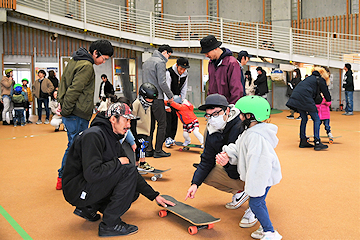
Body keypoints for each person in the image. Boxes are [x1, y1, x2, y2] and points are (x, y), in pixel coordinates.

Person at [62, 102, 175, 237]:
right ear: (113, 119)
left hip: (86, 185)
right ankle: (110, 224)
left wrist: (154, 196)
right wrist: (117, 162)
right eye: (126, 120)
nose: (129, 125)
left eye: (129, 121)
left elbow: (131, 172)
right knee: (127, 173)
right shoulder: (93, 136)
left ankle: (88, 208)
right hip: (77, 190)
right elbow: (92, 173)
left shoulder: (113, 137)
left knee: (133, 191)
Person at [217, 95, 282, 240]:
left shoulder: (256, 137)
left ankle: (270, 233)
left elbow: (260, 163)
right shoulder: (249, 132)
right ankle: (265, 228)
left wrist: (254, 187)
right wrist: (228, 153)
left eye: (242, 114)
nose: (239, 116)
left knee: (256, 203)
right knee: (258, 203)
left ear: (251, 116)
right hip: (261, 177)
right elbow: (239, 147)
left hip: (262, 177)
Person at [185, 94, 252, 227]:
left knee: (253, 167)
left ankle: (255, 205)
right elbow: (206, 161)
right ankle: (242, 192)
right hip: (234, 171)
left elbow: (250, 157)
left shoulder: (241, 124)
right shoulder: (211, 131)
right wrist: (195, 184)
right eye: (209, 115)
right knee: (204, 173)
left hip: (251, 169)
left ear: (227, 110)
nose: (212, 119)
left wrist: (231, 159)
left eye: (216, 113)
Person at [56, 39, 114, 190]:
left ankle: (67, 177)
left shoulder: (75, 60)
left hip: (73, 112)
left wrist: (63, 107)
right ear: (96, 53)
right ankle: (64, 177)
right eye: (104, 58)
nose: (103, 62)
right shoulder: (86, 66)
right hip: (76, 114)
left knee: (74, 146)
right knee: (75, 147)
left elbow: (64, 84)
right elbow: (74, 90)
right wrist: (66, 111)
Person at [286, 67, 331, 151]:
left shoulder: (309, 79)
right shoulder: (320, 80)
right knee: (317, 119)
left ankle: (303, 140)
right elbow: (326, 93)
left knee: (304, 118)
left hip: (296, 97)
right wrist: (328, 100)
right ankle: (317, 142)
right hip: (305, 98)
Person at [142, 44, 174, 158]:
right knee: (162, 124)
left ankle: (149, 149)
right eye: (169, 55)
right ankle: (158, 150)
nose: (168, 58)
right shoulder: (160, 62)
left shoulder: (146, 62)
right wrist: (170, 96)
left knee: (149, 125)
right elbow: (162, 82)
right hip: (157, 98)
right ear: (165, 52)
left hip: (145, 99)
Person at [200, 35, 243, 104]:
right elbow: (211, 87)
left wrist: (233, 107)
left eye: (207, 53)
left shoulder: (232, 63)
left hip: (228, 107)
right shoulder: (211, 64)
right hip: (215, 107)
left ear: (215, 48)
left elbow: (236, 89)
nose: (206, 55)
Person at [132, 83, 158, 171]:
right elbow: (132, 118)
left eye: (152, 99)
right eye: (149, 98)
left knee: (144, 147)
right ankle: (138, 164)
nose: (150, 101)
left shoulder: (148, 104)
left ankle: (140, 163)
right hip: (138, 131)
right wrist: (134, 134)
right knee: (140, 147)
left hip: (146, 130)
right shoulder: (137, 103)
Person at [164, 57, 190, 147]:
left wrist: (182, 101)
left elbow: (184, 89)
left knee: (175, 119)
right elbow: (166, 88)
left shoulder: (185, 75)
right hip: (168, 100)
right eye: (181, 68)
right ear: (177, 65)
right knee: (168, 119)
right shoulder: (169, 73)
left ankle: (172, 138)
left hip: (177, 101)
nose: (182, 71)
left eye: (184, 69)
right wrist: (166, 105)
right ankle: (167, 138)